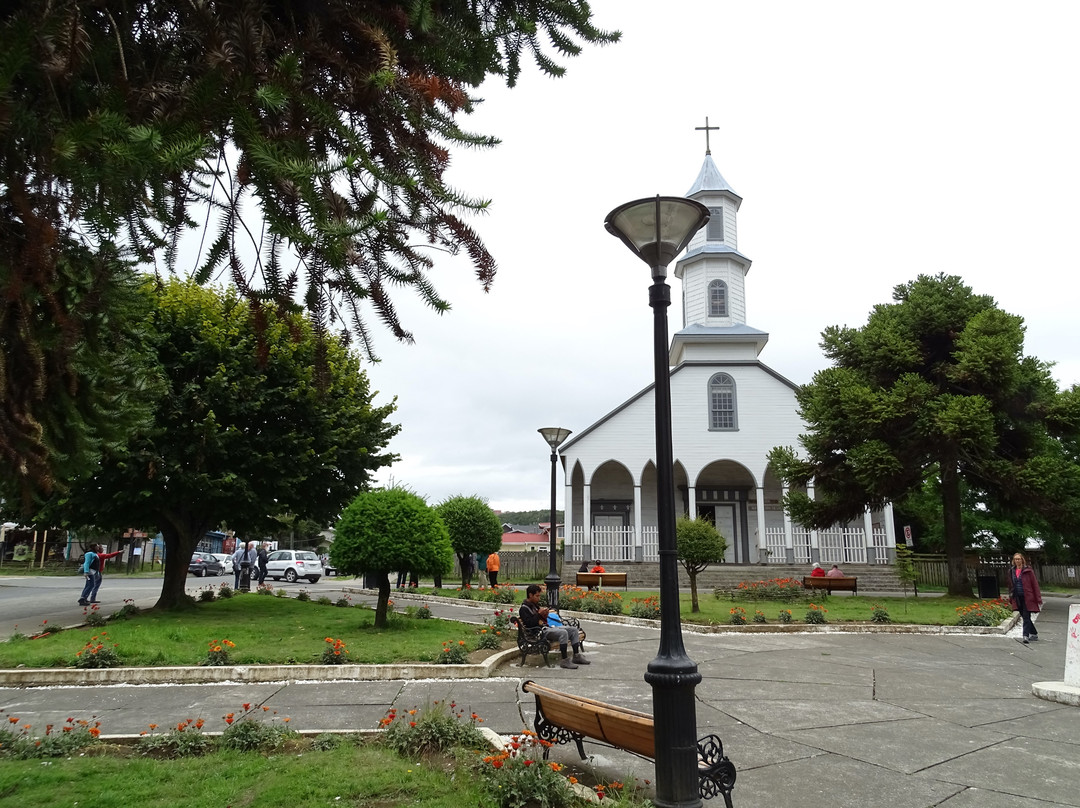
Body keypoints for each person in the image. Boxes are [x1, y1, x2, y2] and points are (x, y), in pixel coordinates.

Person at [519, 584, 589, 670]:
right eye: (537, 596)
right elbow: (530, 624)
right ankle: (564, 660)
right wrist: (539, 615)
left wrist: (545, 614)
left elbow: (540, 619)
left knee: (573, 630)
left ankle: (576, 656)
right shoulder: (524, 609)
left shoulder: (534, 605)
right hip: (539, 633)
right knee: (563, 633)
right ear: (530, 595)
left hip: (547, 628)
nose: (539, 598)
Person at [1009, 552, 1043, 643]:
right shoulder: (1012, 571)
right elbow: (1011, 585)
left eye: (1019, 559)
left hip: (1027, 597)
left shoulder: (1028, 571)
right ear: (1014, 560)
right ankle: (1034, 633)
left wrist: (1038, 598)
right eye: (1015, 559)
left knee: (1027, 616)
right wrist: (1011, 597)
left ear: (1022, 560)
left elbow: (1034, 584)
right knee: (1024, 616)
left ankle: (1025, 636)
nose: (1017, 561)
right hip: (1017, 597)